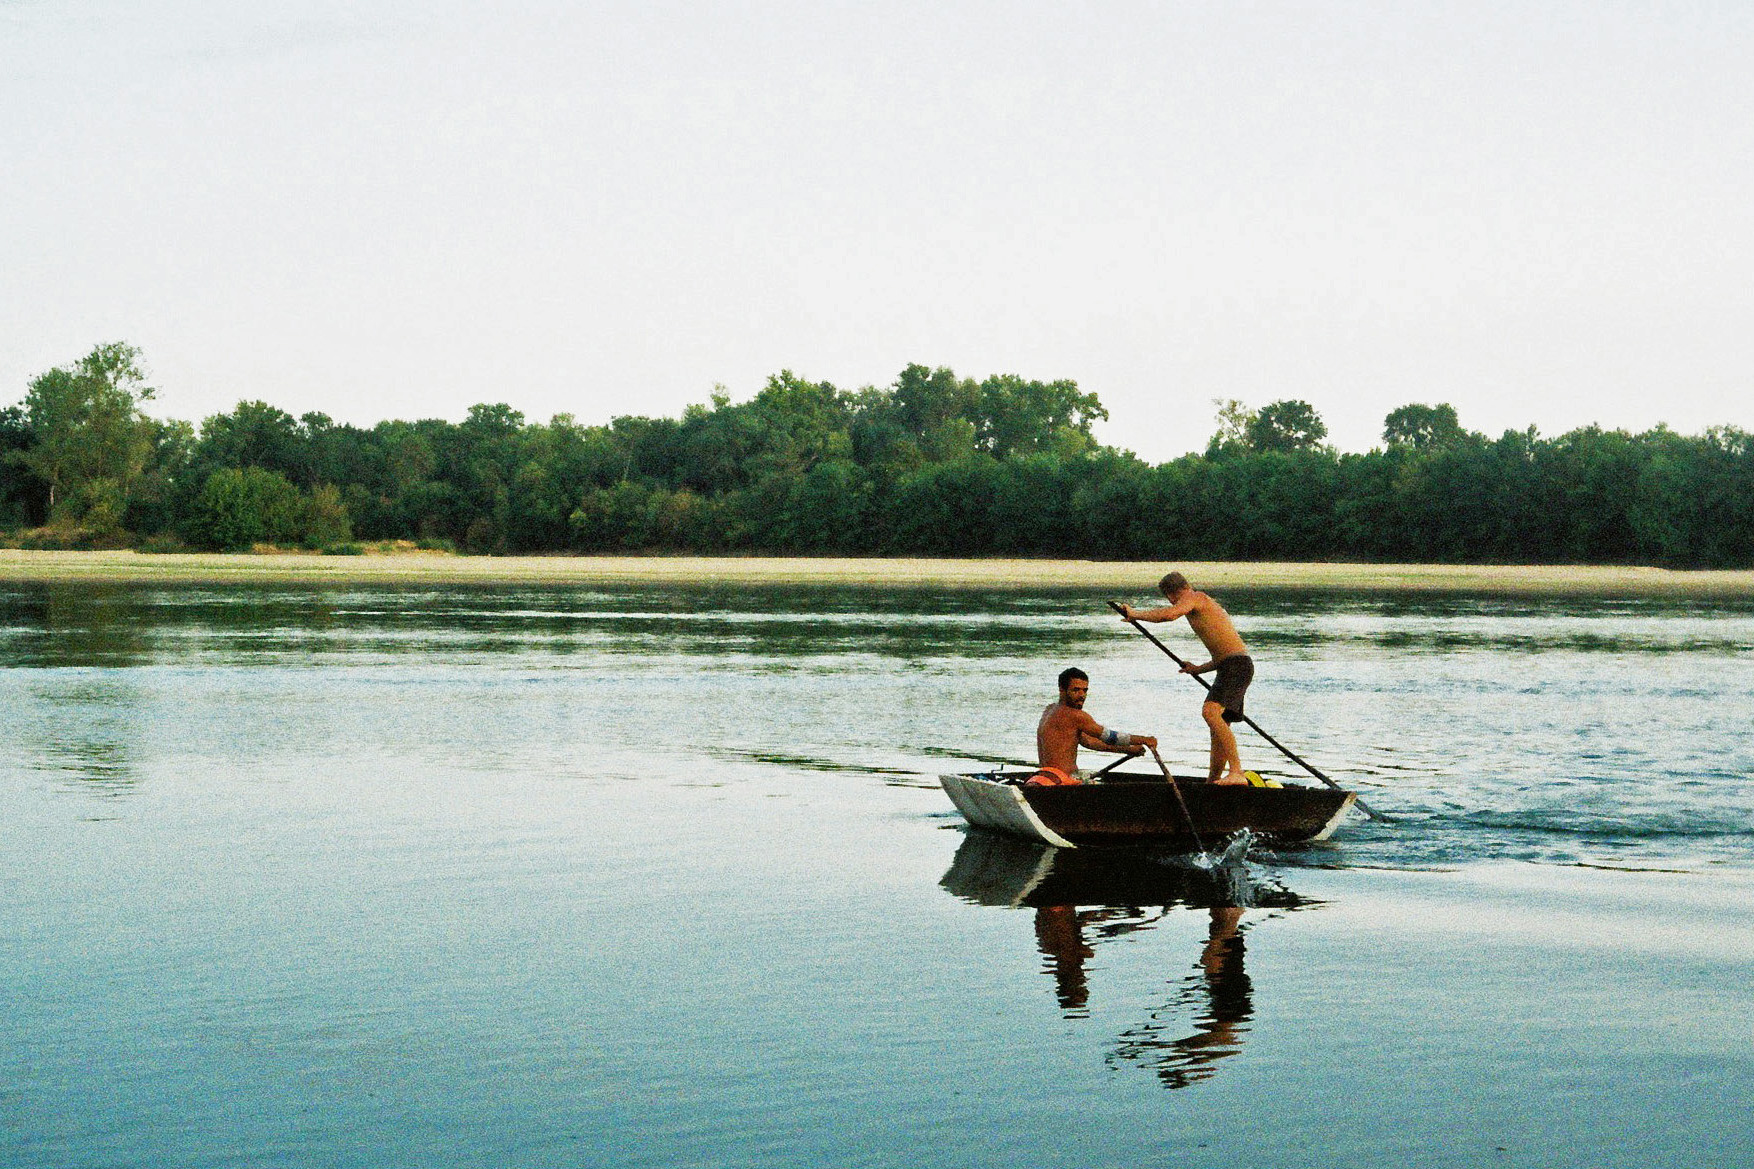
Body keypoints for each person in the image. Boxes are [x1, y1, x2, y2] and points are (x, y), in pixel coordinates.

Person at [1119, 572, 1254, 785]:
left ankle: (1237, 772)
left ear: (1171, 595)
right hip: (1230, 666)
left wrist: (1135, 614)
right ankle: (1213, 781)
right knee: (1219, 724)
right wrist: (1198, 669)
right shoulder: (1201, 602)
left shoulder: (1195, 597)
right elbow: (1222, 654)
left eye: (1170, 599)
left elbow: (1169, 615)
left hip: (1236, 666)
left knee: (1210, 712)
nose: (1172, 602)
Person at [1030, 666, 1157, 786]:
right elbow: (1110, 737)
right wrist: (1144, 739)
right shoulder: (1076, 715)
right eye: (1076, 690)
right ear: (1062, 690)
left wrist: (1128, 749)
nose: (1082, 695)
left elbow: (1090, 742)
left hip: (1043, 778)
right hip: (1061, 782)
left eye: (1085, 690)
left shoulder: (1049, 710)